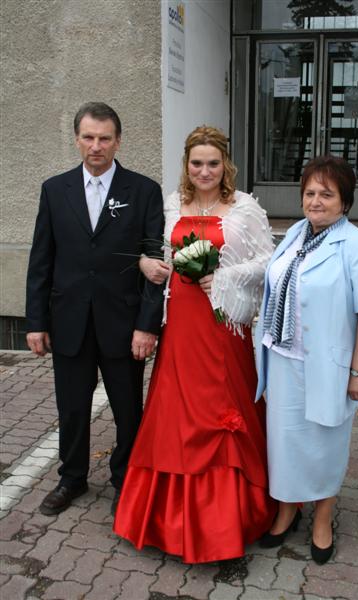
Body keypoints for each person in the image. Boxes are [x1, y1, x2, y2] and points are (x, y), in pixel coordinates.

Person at [113, 125, 277, 563]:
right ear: (186, 165)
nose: (205, 171)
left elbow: (268, 261)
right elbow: (152, 251)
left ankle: (228, 520)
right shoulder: (171, 205)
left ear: (225, 165)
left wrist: (225, 276)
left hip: (222, 322)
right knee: (176, 409)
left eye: (213, 163)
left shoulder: (244, 208)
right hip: (181, 323)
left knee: (223, 404)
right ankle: (165, 517)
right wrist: (146, 263)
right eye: (197, 163)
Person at [26, 102, 164, 516]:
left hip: (123, 323)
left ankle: (125, 479)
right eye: (88, 137)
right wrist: (36, 322)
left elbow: (156, 263)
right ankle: (72, 478)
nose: (96, 146)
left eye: (104, 138)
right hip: (69, 320)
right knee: (71, 408)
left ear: (118, 141)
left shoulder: (143, 191)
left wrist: (147, 325)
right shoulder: (55, 190)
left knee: (127, 409)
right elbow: (41, 260)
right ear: (77, 140)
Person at [255, 156, 358, 564]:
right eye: (310, 193)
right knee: (284, 442)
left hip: (328, 367)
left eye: (327, 195)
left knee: (325, 444)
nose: (316, 201)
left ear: (344, 202)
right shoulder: (294, 234)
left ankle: (322, 518)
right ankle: (286, 511)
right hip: (283, 358)